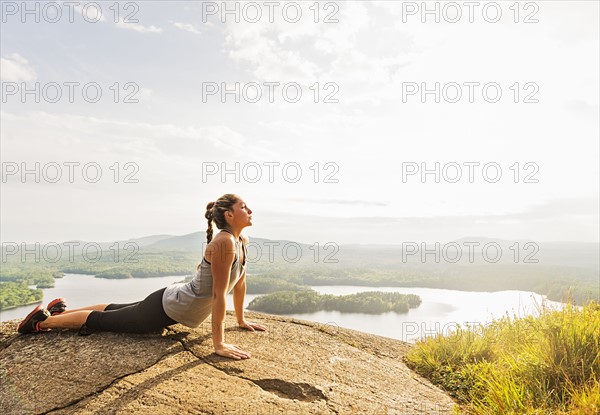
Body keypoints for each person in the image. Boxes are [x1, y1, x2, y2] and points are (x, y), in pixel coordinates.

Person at [17, 194, 267, 360]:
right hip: (166, 309)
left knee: (114, 310)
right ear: (229, 215)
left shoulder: (241, 241)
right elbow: (218, 295)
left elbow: (240, 283)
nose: (251, 210)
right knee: (102, 320)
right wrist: (219, 344)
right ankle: (40, 323)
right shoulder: (225, 242)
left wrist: (242, 320)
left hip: (169, 301)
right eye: (244, 207)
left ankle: (57, 313)